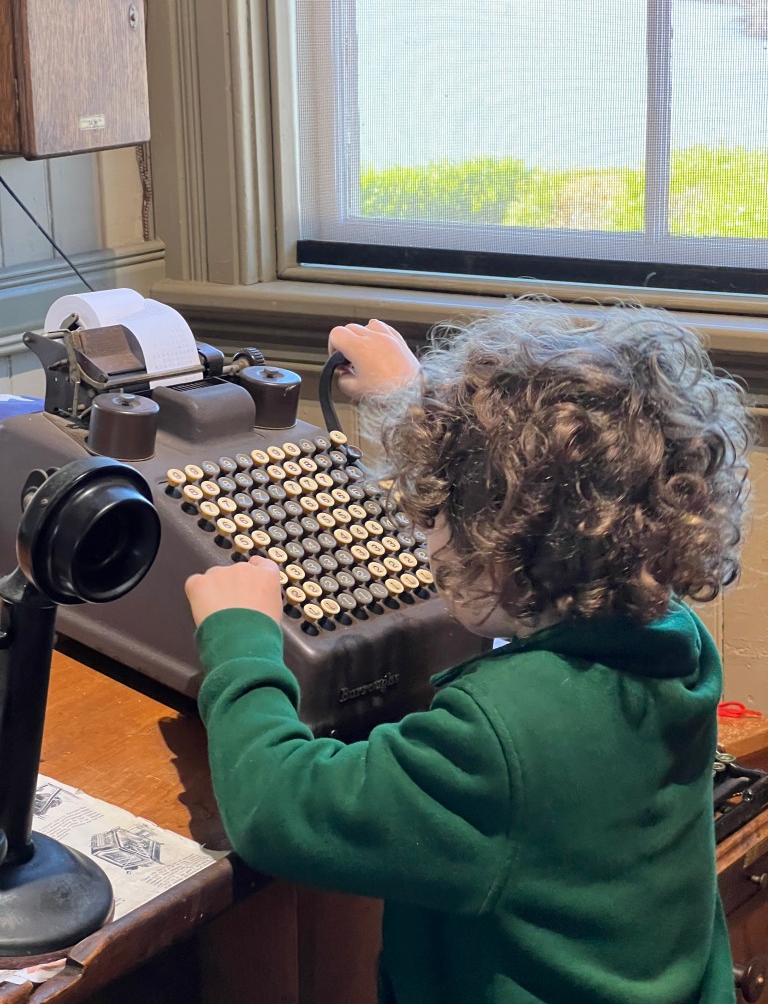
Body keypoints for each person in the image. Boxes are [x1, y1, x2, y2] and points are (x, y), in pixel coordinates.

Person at [184, 301, 754, 1004]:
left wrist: (242, 640)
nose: (422, 535)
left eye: (434, 515)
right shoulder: (675, 638)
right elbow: (557, 478)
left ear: (501, 551)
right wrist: (417, 402)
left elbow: (275, 809)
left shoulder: (494, 735)